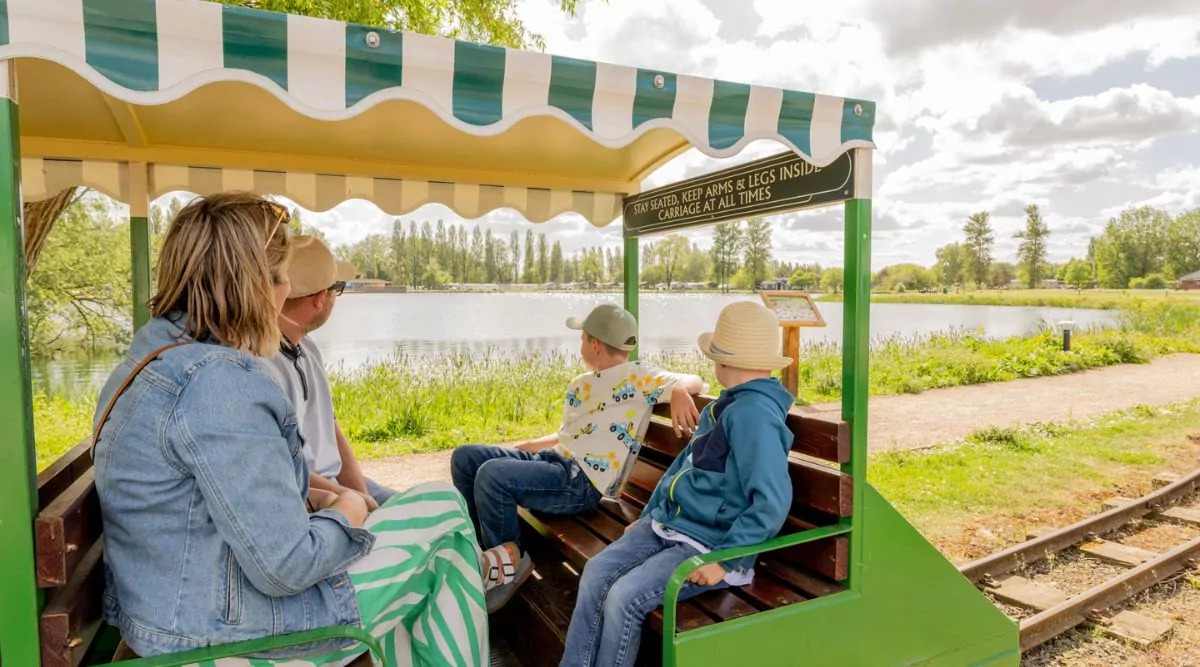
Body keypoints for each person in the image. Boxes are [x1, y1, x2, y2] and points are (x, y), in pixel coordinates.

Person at [92, 192, 487, 665]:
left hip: (174, 613)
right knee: (442, 515)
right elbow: (287, 566)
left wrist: (319, 497)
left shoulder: (150, 357)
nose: (284, 292)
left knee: (421, 555)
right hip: (217, 641)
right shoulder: (218, 383)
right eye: (281, 279)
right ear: (257, 285)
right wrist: (349, 507)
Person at [559, 301, 795, 667]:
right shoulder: (727, 404)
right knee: (597, 572)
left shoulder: (754, 415)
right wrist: (650, 514)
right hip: (669, 526)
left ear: (724, 360)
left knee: (623, 597)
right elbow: (680, 469)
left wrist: (724, 559)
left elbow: (772, 500)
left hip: (709, 546)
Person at [451, 304, 704, 613]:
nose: (580, 344)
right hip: (554, 463)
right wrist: (527, 446)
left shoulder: (638, 377)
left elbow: (695, 380)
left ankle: (509, 565)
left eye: (582, 338)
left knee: (492, 475)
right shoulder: (580, 385)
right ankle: (484, 554)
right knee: (465, 457)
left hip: (580, 482)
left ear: (594, 344)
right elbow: (568, 437)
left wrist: (678, 389)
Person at [267, 235, 395, 509]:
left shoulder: (307, 347)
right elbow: (285, 466)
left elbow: (330, 427)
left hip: (337, 484)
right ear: (320, 299)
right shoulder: (261, 365)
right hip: (307, 496)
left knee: (433, 505)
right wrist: (355, 500)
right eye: (338, 288)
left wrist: (362, 493)